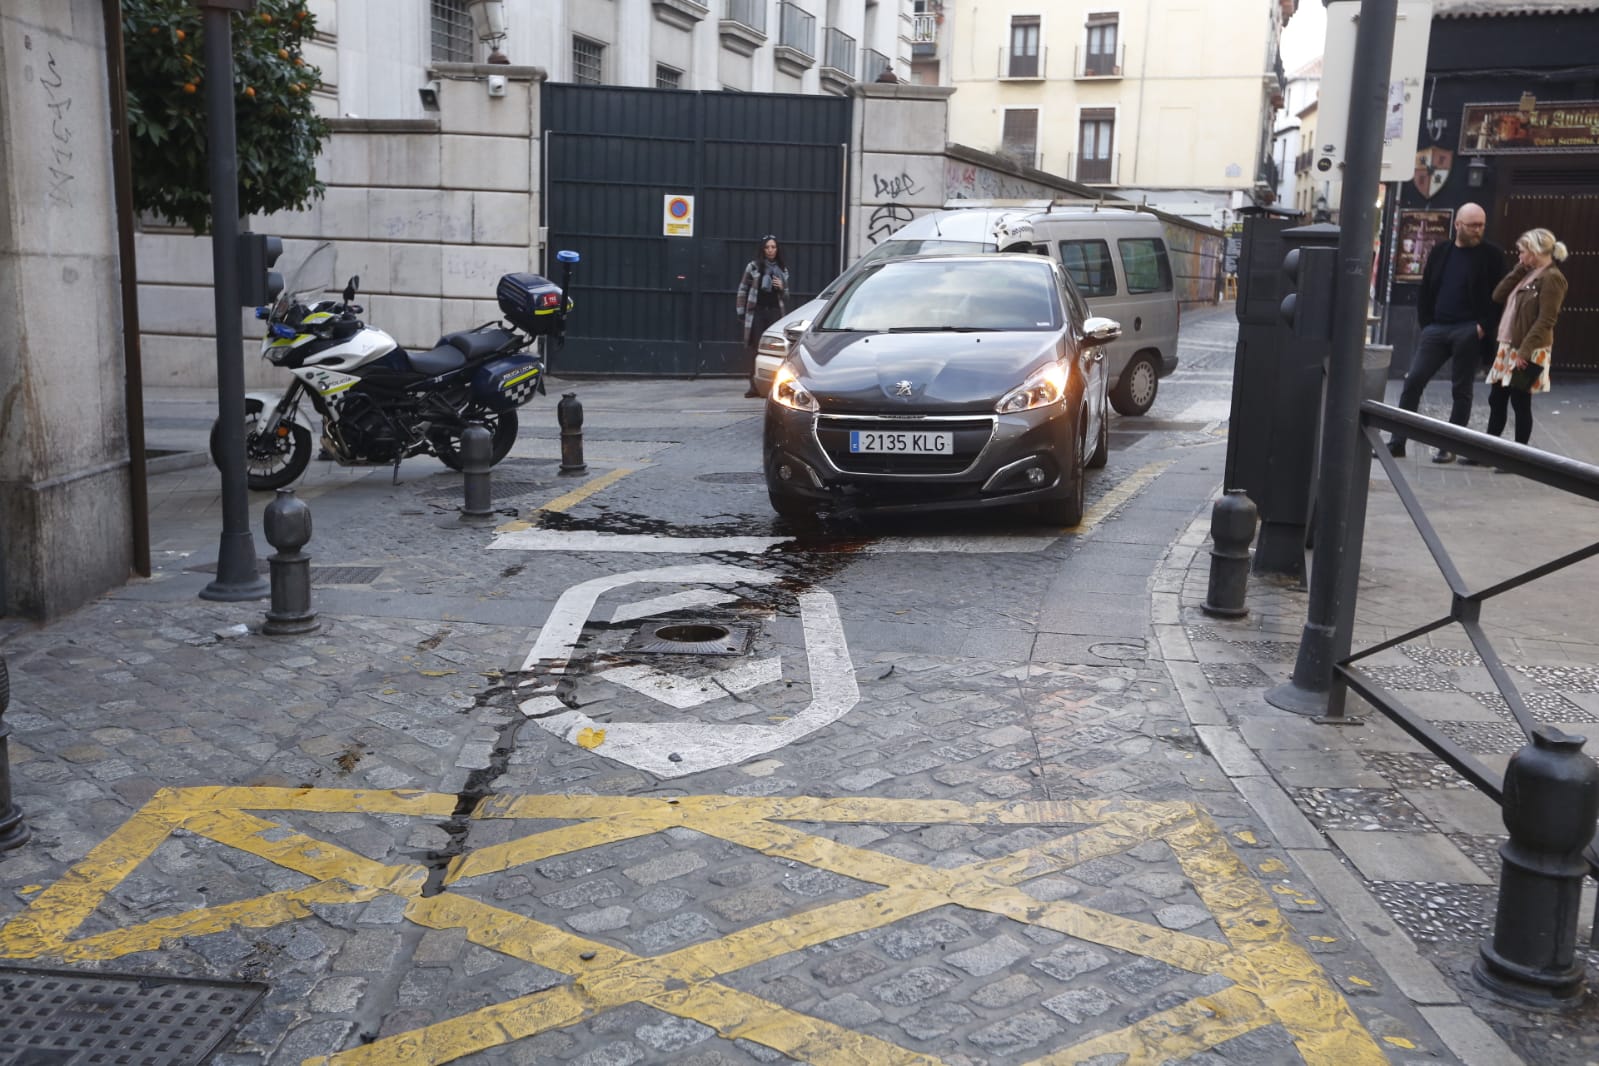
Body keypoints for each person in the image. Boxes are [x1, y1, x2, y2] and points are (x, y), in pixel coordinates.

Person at [1386, 202, 1503, 462]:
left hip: (1469, 330)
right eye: (1473, 225)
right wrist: (1427, 323)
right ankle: (1397, 442)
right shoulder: (1441, 251)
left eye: (1482, 225)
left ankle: (1449, 445)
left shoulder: (1492, 255)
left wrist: (1482, 327)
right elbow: (1426, 287)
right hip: (1437, 328)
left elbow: (1500, 296)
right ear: (1458, 225)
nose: (1478, 230)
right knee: (1413, 380)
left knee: (1461, 390)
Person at [1460, 228, 1569, 464]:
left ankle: (1519, 458)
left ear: (1535, 251)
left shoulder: (1552, 278)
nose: (1519, 256)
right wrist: (1520, 268)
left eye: (1522, 252)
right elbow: (1498, 295)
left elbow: (1546, 319)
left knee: (1520, 401)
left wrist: (1525, 352)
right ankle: (1488, 453)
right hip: (1508, 347)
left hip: (1529, 350)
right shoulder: (1527, 273)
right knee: (1496, 400)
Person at [736, 235, 790, 397]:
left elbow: (786, 296)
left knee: (775, 349)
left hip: (775, 313)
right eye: (767, 247)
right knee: (755, 349)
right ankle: (754, 386)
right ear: (762, 249)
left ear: (777, 249)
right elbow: (743, 289)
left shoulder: (783, 269)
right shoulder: (753, 267)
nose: (770, 250)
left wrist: (782, 287)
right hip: (757, 312)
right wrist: (741, 311)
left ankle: (775, 385)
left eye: (773, 247)